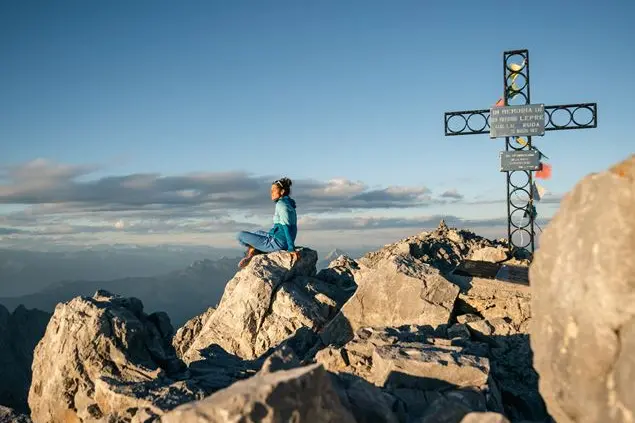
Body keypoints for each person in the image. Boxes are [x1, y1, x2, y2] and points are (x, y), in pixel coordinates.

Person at [236, 177, 300, 268]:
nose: (271, 193)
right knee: (258, 232)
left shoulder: (281, 205)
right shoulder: (289, 204)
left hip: (277, 242)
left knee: (240, 235)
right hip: (278, 238)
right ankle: (254, 251)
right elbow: (292, 227)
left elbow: (286, 226)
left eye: (274, 190)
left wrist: (291, 248)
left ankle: (252, 255)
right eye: (271, 191)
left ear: (282, 192)